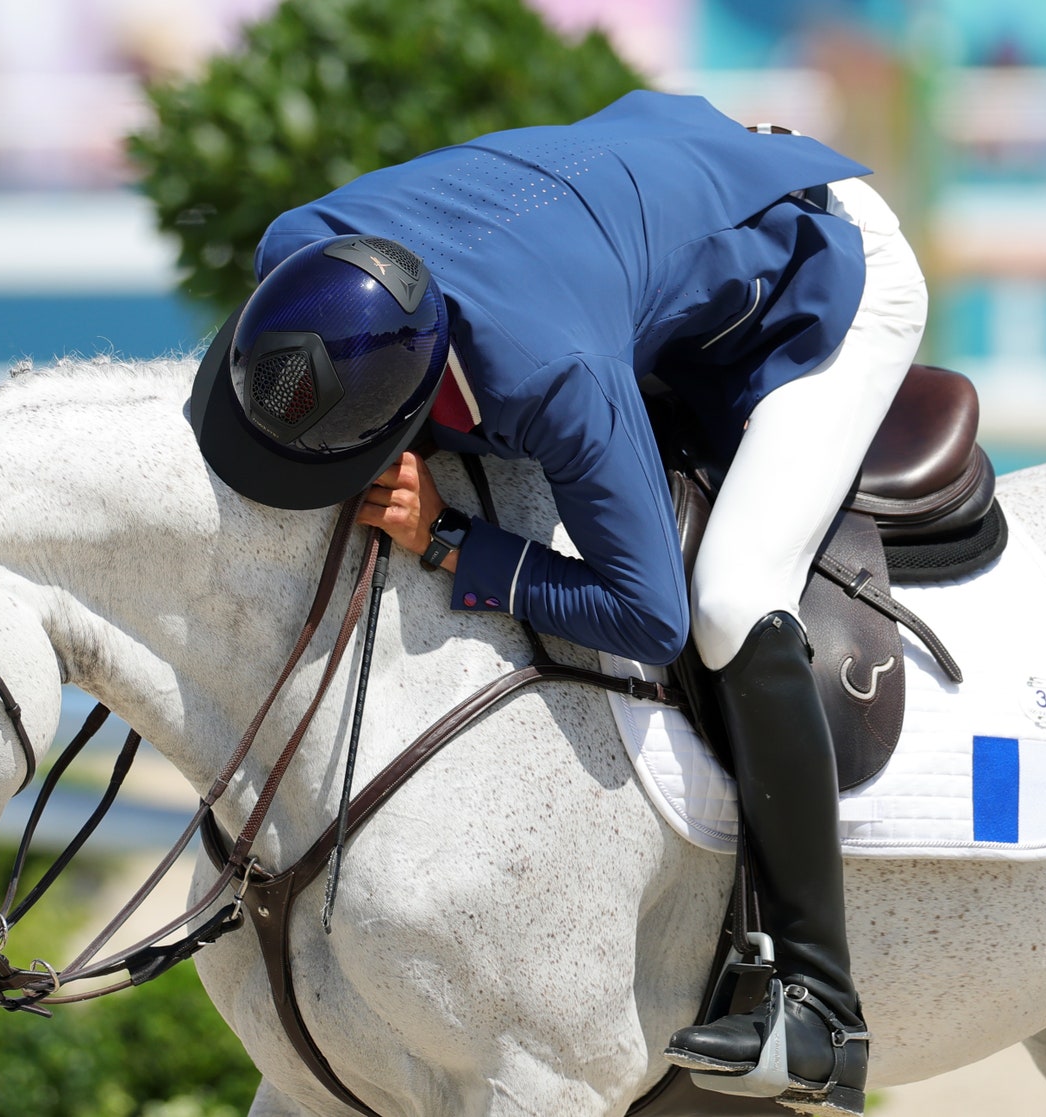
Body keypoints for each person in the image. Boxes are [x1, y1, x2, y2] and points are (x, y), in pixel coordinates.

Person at [190, 89, 926, 1117]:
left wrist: (450, 539)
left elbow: (646, 617)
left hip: (825, 252)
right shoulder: (299, 246)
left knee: (727, 598)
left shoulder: (552, 374)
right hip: (647, 188)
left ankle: (817, 1005)